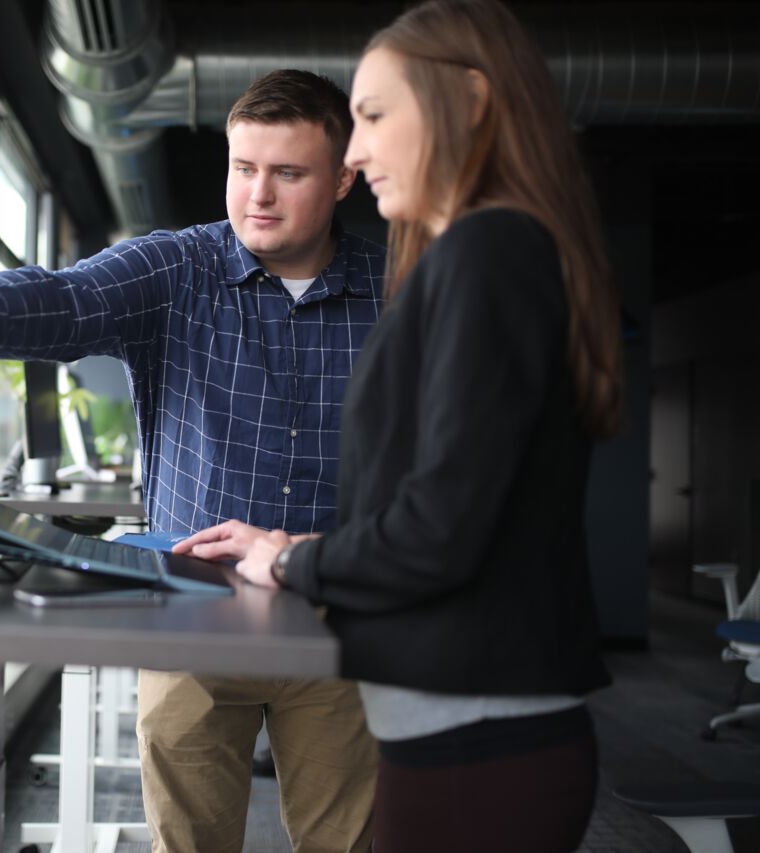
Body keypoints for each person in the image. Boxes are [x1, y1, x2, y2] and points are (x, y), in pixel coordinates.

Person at [0, 70, 383, 853]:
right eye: (243, 168)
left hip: (339, 615)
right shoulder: (178, 269)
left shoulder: (397, 290)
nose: (258, 194)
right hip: (191, 617)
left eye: (288, 173)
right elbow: (63, 298)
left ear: (343, 178)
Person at [173, 1, 624, 851]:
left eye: (374, 115)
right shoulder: (487, 254)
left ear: (473, 102)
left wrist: (292, 556)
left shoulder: (489, 254)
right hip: (457, 737)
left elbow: (436, 532)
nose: (354, 151)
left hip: (477, 748)